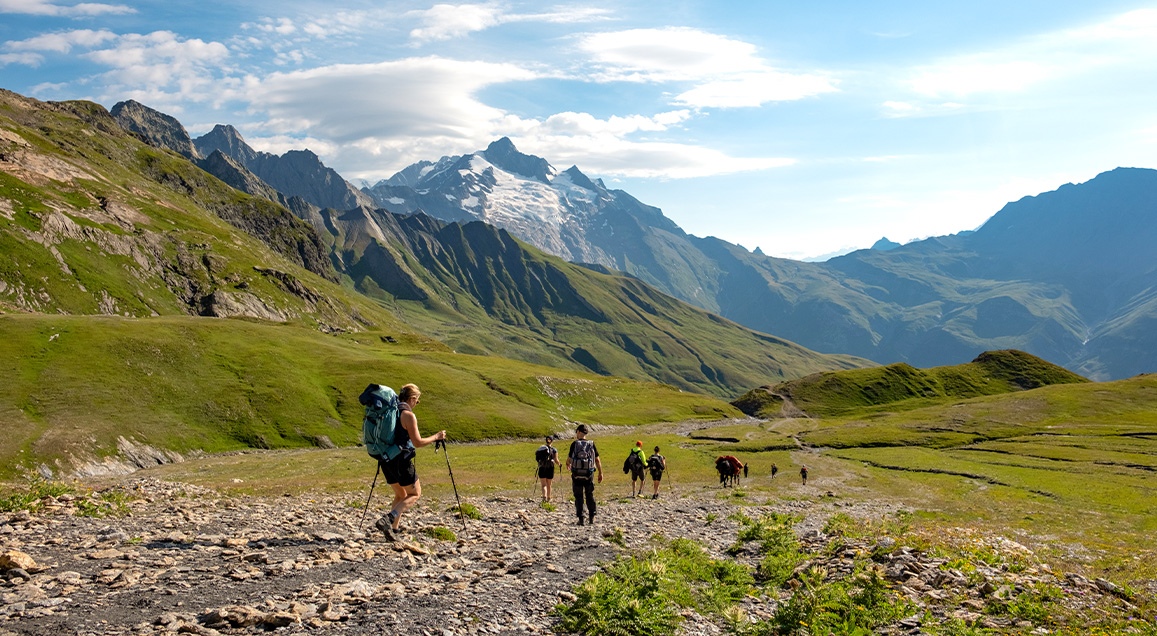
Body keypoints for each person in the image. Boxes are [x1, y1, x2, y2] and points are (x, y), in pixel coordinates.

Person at [374, 384, 445, 542]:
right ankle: (389, 518)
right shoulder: (408, 415)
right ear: (412, 398)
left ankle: (393, 529)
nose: (416, 404)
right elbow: (418, 442)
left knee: (400, 494)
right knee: (414, 494)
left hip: (385, 459)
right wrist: (437, 437)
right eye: (417, 401)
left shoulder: (389, 411)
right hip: (401, 460)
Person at [566, 424, 602, 526]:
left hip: (576, 474)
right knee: (589, 494)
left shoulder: (574, 444)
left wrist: (568, 465)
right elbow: (597, 460)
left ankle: (581, 518)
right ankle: (591, 517)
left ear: (578, 432)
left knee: (578, 496)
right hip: (589, 474)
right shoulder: (591, 444)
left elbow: (569, 460)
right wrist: (600, 472)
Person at [535, 435, 561, 502]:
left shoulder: (541, 448)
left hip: (542, 467)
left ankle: (544, 497)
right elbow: (556, 459)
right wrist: (559, 464)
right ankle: (549, 498)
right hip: (550, 467)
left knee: (543, 484)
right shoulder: (554, 450)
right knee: (549, 484)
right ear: (552, 441)